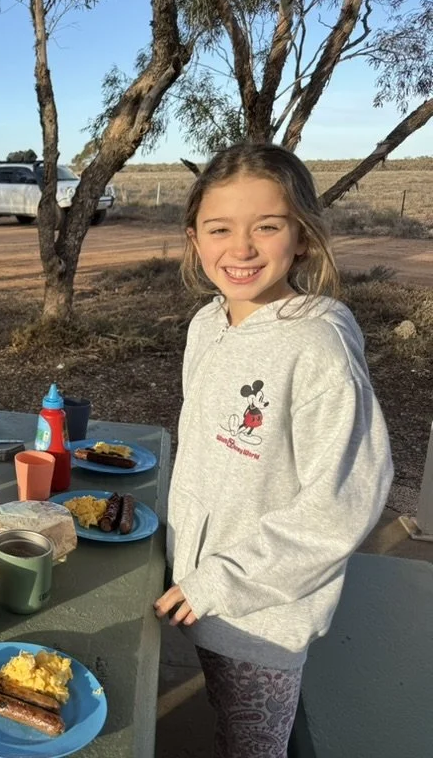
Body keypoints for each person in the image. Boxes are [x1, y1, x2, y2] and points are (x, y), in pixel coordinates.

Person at [152, 143, 393, 758]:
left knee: (253, 746)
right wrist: (191, 568)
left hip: (263, 619)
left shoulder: (317, 348)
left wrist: (221, 581)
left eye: (267, 226)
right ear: (194, 238)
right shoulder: (206, 325)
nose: (241, 248)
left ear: (303, 237)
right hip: (201, 590)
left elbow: (344, 502)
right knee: (222, 719)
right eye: (220, 228)